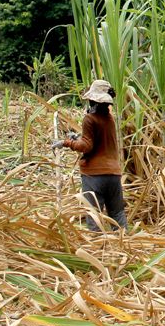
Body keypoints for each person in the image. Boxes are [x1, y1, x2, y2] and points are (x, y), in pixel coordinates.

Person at [52, 79, 128, 232]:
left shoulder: (89, 119)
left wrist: (66, 143)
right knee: (117, 213)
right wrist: (78, 138)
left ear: (92, 100)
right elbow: (98, 140)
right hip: (113, 174)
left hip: (95, 175)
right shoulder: (110, 119)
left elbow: (87, 146)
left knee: (94, 216)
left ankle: (98, 250)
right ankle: (124, 246)